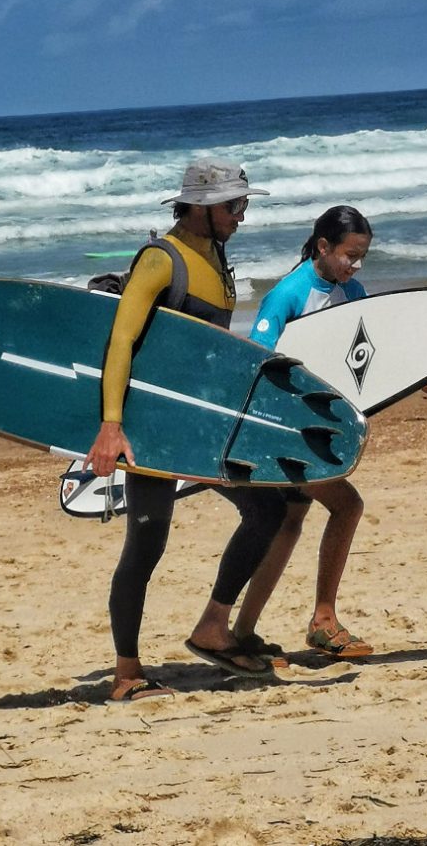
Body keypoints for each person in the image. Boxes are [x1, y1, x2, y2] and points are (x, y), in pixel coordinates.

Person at [222, 206, 427, 663]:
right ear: (323, 247)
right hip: (288, 431)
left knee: (290, 522)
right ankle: (320, 620)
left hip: (317, 431)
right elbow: (257, 361)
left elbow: (376, 352)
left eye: (362, 257)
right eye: (349, 256)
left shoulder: (350, 290)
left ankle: (244, 631)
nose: (356, 266)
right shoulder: (288, 295)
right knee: (346, 505)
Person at [85, 159, 287, 701]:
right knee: (146, 545)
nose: (240, 216)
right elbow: (121, 341)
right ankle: (127, 674)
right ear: (199, 207)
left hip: (200, 422)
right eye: (232, 206)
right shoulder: (161, 258)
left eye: (242, 204)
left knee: (269, 507)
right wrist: (111, 426)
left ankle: (212, 627)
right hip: (151, 426)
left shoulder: (216, 260)